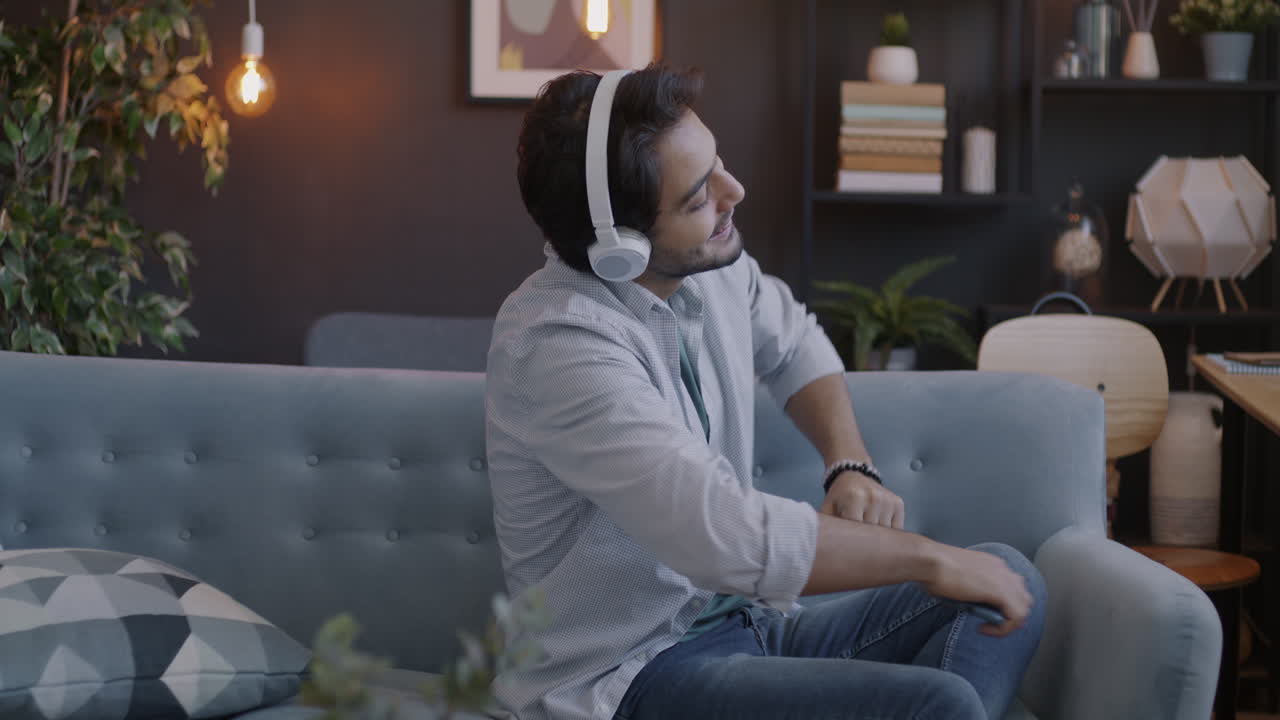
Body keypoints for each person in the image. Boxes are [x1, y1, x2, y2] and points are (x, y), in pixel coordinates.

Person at [484, 63, 1046, 720]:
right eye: (698, 197)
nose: (735, 190)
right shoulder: (557, 345)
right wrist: (927, 560)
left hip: (750, 628)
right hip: (631, 674)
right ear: (622, 251)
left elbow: (793, 341)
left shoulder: (710, 264)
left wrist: (849, 462)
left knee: (1009, 575)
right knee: (938, 701)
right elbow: (720, 533)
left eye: (718, 161)